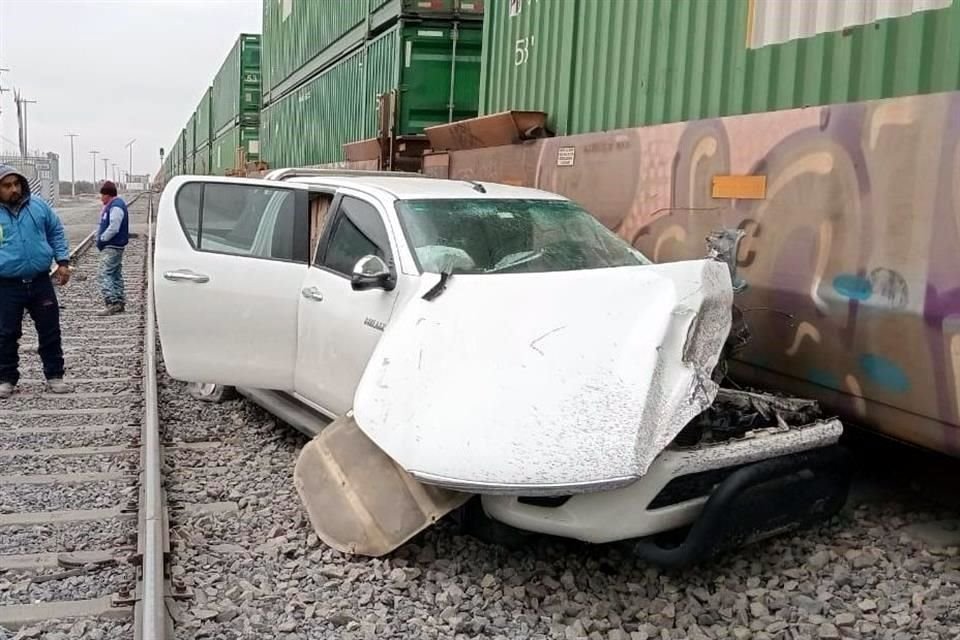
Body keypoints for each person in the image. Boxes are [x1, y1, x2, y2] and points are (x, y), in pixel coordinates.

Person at [0, 164, 71, 399]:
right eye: (7, 186)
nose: (14, 189)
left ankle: (55, 375)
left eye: (16, 184)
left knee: (50, 330)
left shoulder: (38, 206)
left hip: (40, 281)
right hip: (7, 285)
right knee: (6, 333)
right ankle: (6, 378)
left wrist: (62, 261)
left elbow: (56, 231)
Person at [96, 181, 129, 316]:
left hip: (112, 246)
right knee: (114, 273)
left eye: (102, 195)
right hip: (114, 246)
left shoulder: (116, 207)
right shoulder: (113, 205)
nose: (101, 198)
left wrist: (102, 238)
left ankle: (112, 302)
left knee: (104, 273)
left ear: (107, 195)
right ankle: (119, 302)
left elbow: (114, 227)